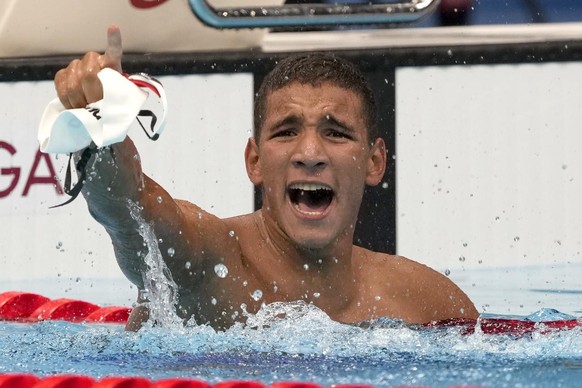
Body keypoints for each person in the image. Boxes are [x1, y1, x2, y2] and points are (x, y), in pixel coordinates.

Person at [52, 26, 478, 331]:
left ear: (374, 162)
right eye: (286, 131)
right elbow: (131, 211)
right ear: (254, 161)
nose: (310, 154)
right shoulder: (211, 265)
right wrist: (100, 131)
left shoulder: (428, 302)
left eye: (336, 133)